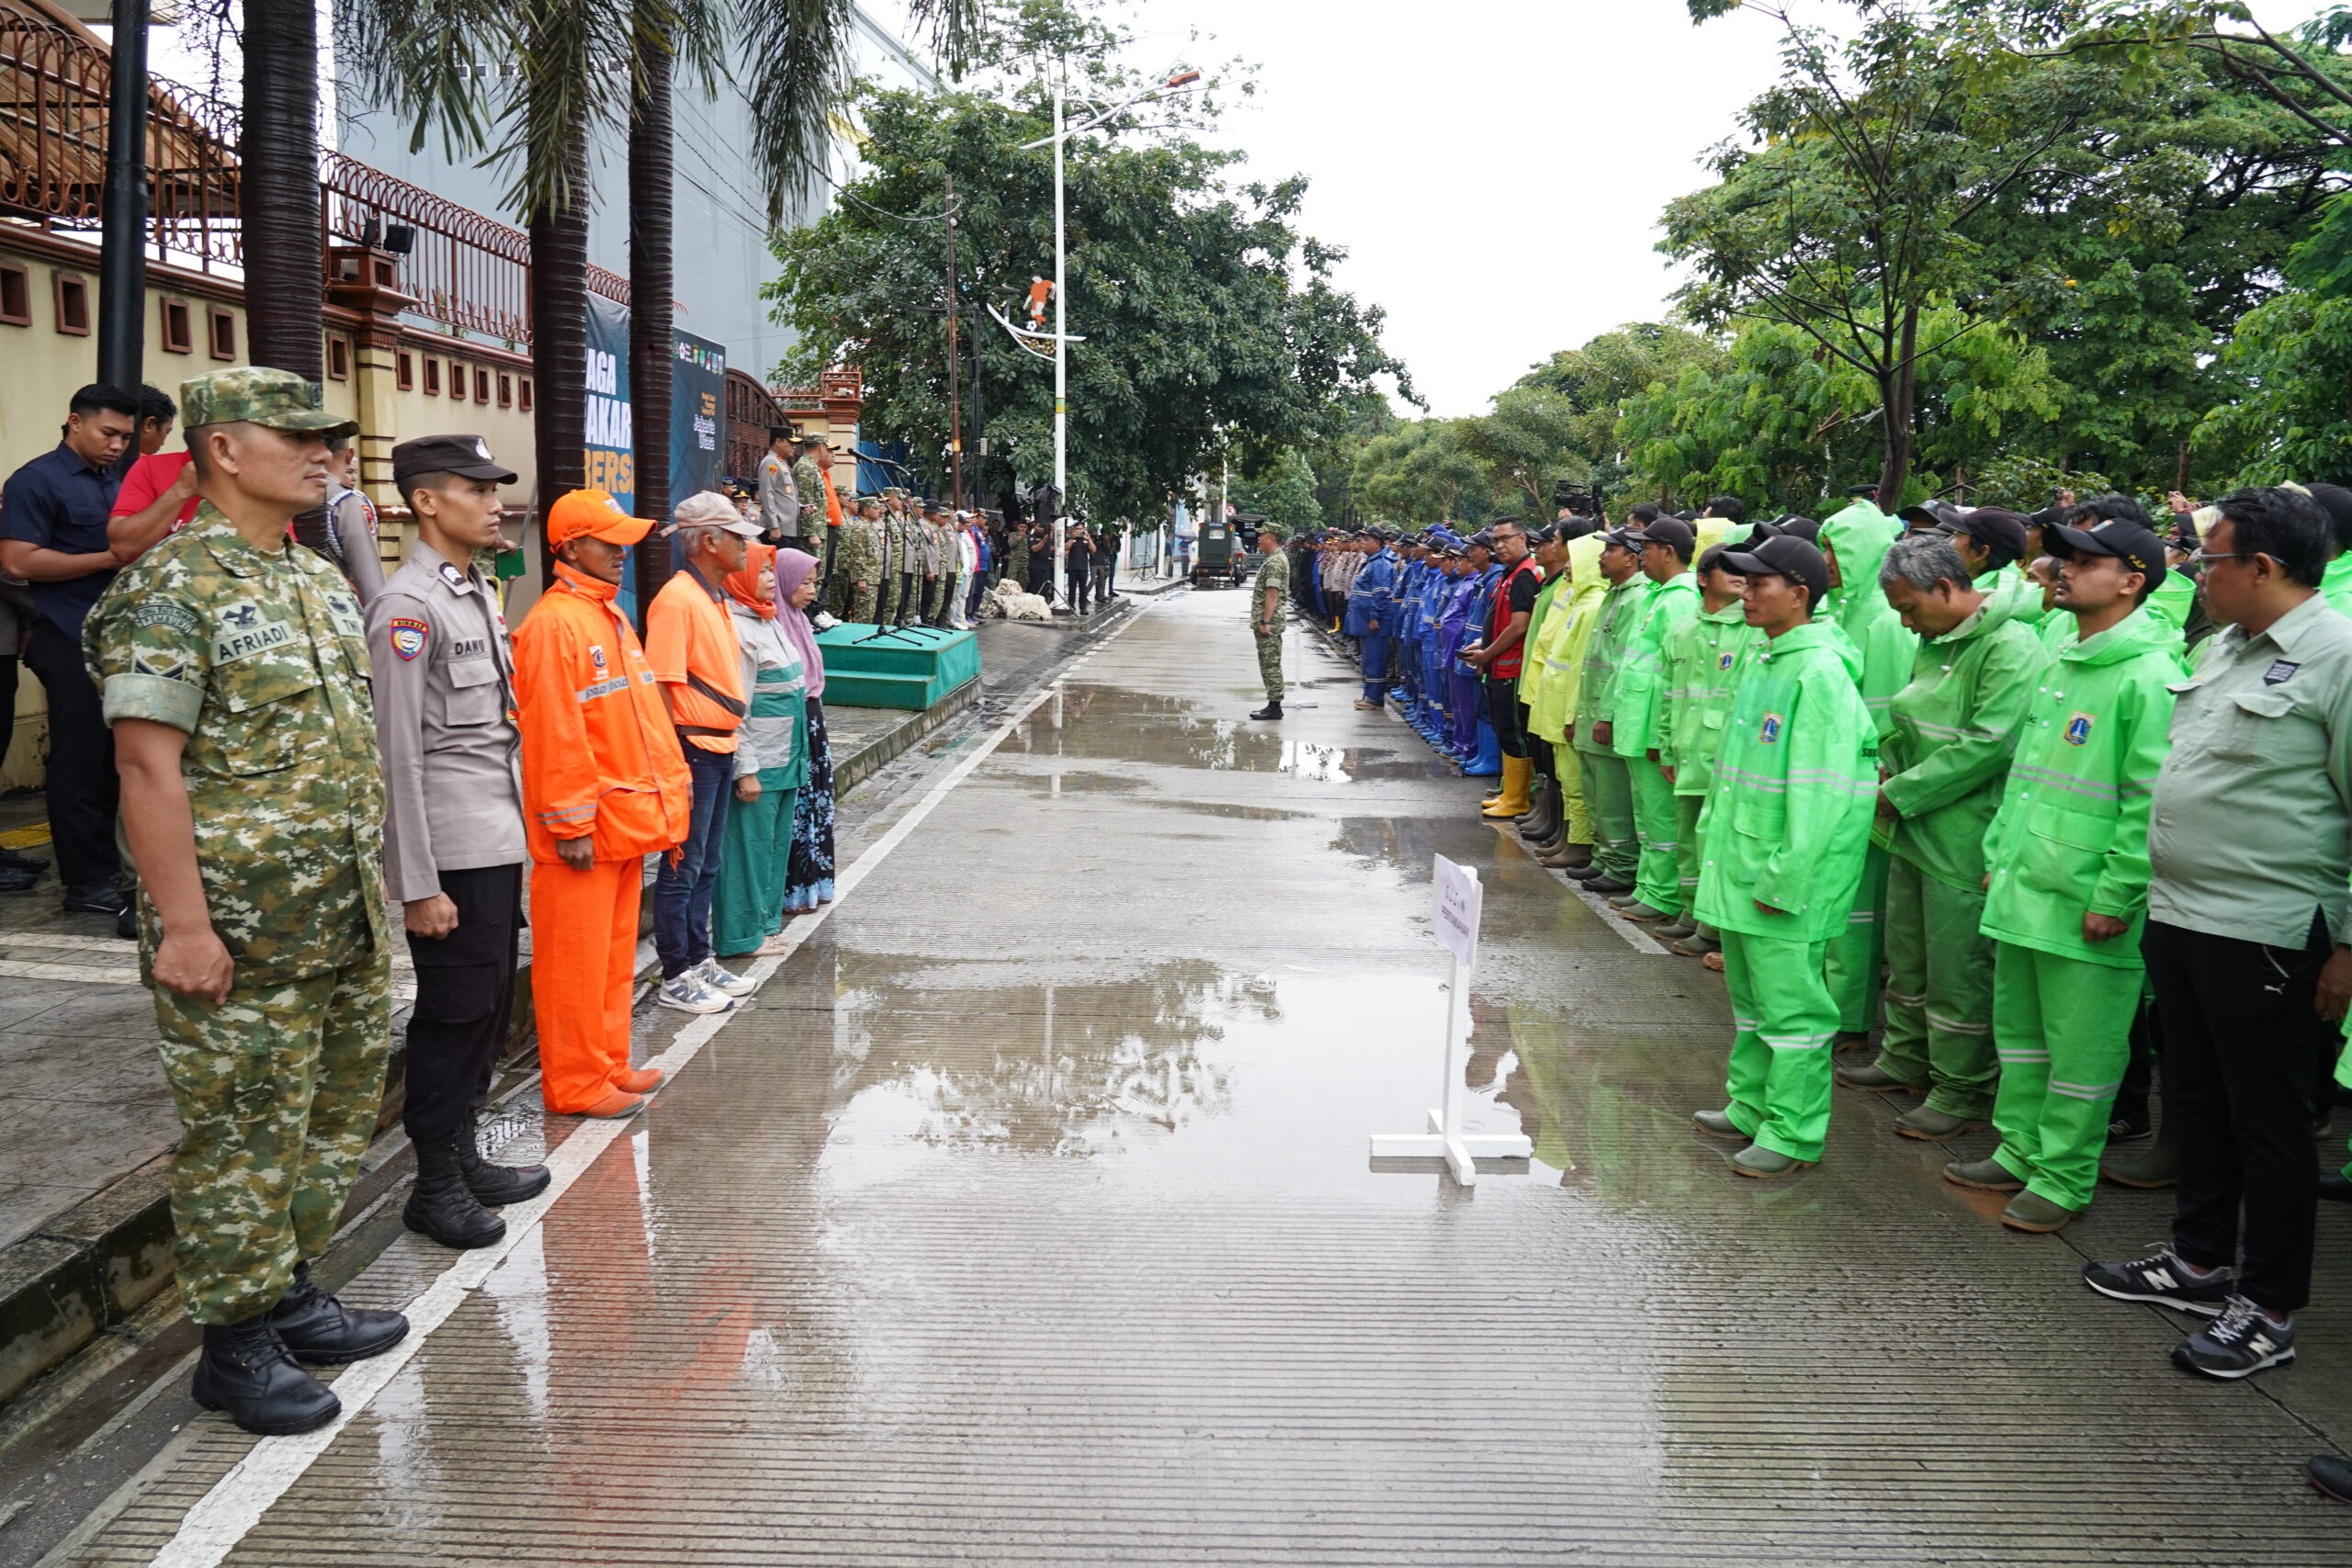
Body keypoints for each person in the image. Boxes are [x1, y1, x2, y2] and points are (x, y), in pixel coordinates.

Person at [85, 366, 405, 1437]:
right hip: (240, 932)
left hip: (339, 918)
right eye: (298, 437)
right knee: (241, 1140)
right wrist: (184, 927)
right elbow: (145, 767)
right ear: (223, 448)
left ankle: (287, 1293)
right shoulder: (170, 591)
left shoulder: (313, 579)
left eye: (330, 438)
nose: (325, 455)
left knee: (328, 1123)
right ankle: (233, 1346)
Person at [2085, 488, 2352, 1380]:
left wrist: (2348, 947)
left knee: (2268, 1123)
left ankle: (2268, 1308)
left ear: (2262, 567)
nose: (2196, 575)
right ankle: (2198, 1261)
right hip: (2181, 915)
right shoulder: (2222, 647)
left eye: (2209, 561)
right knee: (2194, 1098)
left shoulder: (2339, 658)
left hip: (2266, 929)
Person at [1943, 517, 2178, 1234]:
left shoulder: (2149, 676)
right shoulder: (2065, 660)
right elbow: (2027, 780)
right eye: (2064, 557)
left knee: (2082, 1051)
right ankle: (2019, 1147)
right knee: (2022, 1037)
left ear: (2132, 580)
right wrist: (2000, 858)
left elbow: (2150, 804)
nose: (2063, 569)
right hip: (2029, 884)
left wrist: (2117, 894)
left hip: (2086, 903)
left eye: (2084, 561)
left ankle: (2063, 1175)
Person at [365, 433, 549, 1251]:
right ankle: (433, 1185)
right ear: (426, 502)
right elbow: (396, 753)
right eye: (476, 490)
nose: (495, 503)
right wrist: (416, 881)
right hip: (450, 853)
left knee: (486, 1007)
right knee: (452, 1014)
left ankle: (464, 1157)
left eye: (493, 490)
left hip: (493, 837)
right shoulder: (407, 608)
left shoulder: (472, 589)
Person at [1838, 535, 2040, 1145]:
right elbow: (1916, 721)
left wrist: (1899, 792)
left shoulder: (2009, 646)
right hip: (1916, 824)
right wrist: (1888, 766)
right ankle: (1905, 1056)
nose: (1905, 623)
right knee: (1909, 955)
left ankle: (1960, 1086)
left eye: (1909, 608)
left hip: (1964, 830)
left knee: (1958, 969)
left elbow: (1989, 744)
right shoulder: (1937, 638)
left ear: (1948, 588)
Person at [1689, 535, 1879, 1178]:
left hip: (1781, 878)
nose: (1745, 593)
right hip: (1745, 866)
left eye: (1759, 583)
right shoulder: (1769, 658)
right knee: (1752, 1004)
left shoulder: (1818, 672)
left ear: (1799, 594)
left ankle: (1793, 1132)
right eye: (1743, 582)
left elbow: (1824, 793)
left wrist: (1787, 876)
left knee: (1794, 1011)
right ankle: (1751, 1105)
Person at [512, 490, 691, 1120]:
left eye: (623, 542)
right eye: (608, 542)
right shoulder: (554, 624)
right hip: (584, 830)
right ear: (570, 546)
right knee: (574, 967)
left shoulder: (606, 615)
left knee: (611, 961)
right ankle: (575, 1082)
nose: (621, 553)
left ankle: (607, 1064)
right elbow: (554, 733)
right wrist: (569, 823)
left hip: (620, 823)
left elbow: (637, 723)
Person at [2, 382, 140, 922]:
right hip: (65, 635)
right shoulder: (36, 481)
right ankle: (85, 881)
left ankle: (113, 870)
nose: (117, 445)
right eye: (108, 433)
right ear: (75, 422)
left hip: (117, 639)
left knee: (115, 762)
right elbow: (18, 561)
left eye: (125, 437)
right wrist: (107, 558)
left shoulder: (118, 480)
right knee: (79, 762)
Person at [645, 492, 764, 1014]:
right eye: (738, 536)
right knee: (681, 867)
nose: (747, 546)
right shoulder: (678, 600)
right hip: (691, 749)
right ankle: (676, 973)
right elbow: (659, 688)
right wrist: (672, 765)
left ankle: (699, 957)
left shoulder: (711, 596)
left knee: (706, 864)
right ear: (710, 542)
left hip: (717, 746)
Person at [1654, 543, 1755, 954]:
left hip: (1727, 757)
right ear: (1703, 578)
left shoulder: (1751, 627)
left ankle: (1712, 926)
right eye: (1728, 568)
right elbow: (1668, 693)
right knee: (1688, 838)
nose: (1740, 575)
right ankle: (1690, 909)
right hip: (1687, 750)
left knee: (1717, 842)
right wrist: (1666, 747)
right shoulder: (1682, 628)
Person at [712, 542, 812, 956]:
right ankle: (740, 935)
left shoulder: (768, 619)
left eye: (773, 570)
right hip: (760, 763)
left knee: (772, 847)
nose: (771, 579)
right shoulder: (736, 629)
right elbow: (736, 707)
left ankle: (765, 926)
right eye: (763, 570)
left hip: (787, 757)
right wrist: (745, 768)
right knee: (746, 852)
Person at [1602, 517, 1700, 922]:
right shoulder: (1659, 594)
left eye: (1647, 548)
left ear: (1668, 551)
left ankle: (1664, 893)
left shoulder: (1680, 598)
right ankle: (1648, 884)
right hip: (1637, 722)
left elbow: (1678, 673)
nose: (1641, 555)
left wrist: (1664, 735)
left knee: (1661, 816)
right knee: (1645, 813)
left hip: (1652, 728)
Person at [1569, 528, 1650, 894]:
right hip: (1590, 710)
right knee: (1596, 793)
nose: (1602, 556)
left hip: (1605, 714)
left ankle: (1621, 864)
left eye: (1610, 550)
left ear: (1632, 557)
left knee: (1613, 797)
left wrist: (1609, 714)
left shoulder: (1638, 598)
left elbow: (1625, 664)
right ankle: (1603, 857)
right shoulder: (1615, 594)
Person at [1462, 519, 1543, 815]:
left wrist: (1487, 654)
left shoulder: (1524, 576)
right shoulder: (1510, 574)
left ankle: (1518, 798)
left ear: (1523, 538)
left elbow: (1519, 626)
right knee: (1505, 731)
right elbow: (1500, 621)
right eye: (1496, 541)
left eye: (1505, 539)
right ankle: (1510, 791)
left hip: (1512, 670)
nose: (1500, 545)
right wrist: (1483, 644)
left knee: (1514, 734)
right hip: (1500, 668)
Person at [775, 548, 838, 913]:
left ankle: (815, 883)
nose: (811, 590)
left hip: (812, 718)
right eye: (804, 582)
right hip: (792, 721)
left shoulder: (799, 620)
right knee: (798, 808)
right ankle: (793, 890)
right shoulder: (776, 624)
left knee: (817, 802)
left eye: (814, 583)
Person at [107, 384, 202, 564]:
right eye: (166, 432)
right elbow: (123, 546)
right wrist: (180, 491)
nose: (116, 446)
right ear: (149, 424)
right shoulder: (148, 467)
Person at [320, 436, 387, 604]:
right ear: (349, 455)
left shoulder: (291, 493)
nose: (354, 477)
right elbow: (367, 572)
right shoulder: (345, 501)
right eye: (350, 471)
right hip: (341, 602)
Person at [1250, 524, 1289, 720]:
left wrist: (1266, 621)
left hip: (1270, 622)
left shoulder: (1275, 562)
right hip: (1268, 621)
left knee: (1270, 664)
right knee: (1267, 663)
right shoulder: (1274, 559)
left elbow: (1272, 594)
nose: (1258, 540)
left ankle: (1275, 706)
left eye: (1262, 536)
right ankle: (1273, 704)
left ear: (1272, 539)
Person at [757, 426, 802, 543]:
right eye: (790, 442)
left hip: (787, 529)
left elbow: (783, 495)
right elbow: (767, 494)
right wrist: (773, 526)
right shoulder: (771, 462)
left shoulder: (781, 462)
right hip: (778, 530)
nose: (794, 446)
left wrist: (800, 507)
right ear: (778, 442)